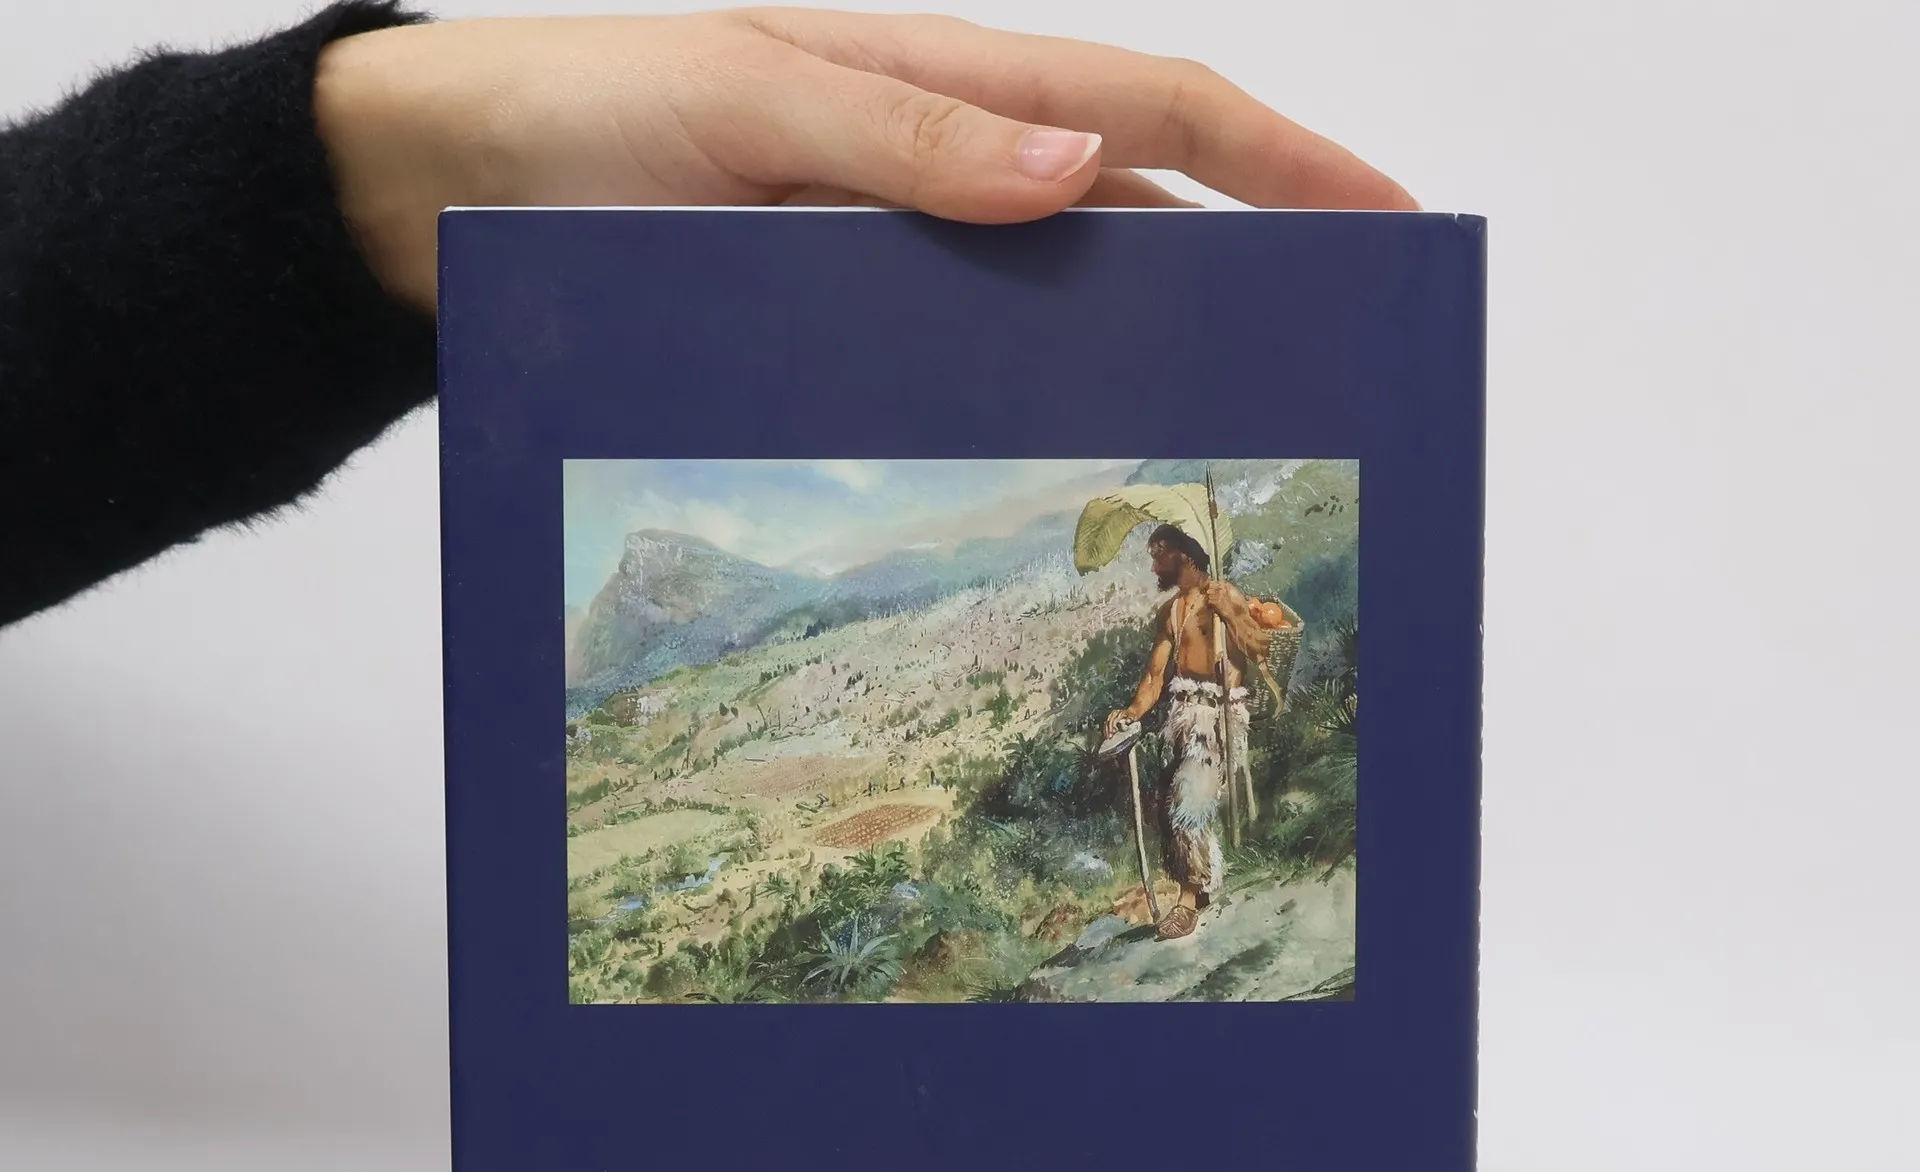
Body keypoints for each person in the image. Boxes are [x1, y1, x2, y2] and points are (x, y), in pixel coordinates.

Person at [0, 6, 1412, 629]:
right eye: (1160, 556)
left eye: (1165, 555)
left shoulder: (1212, 605)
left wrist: (402, 163)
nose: (1160, 567)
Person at [1103, 524, 1290, 940]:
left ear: (1184, 555)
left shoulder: (1227, 596)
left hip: (1218, 719)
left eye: (1159, 555)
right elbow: (1155, 677)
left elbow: (1261, 649)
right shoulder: (1171, 611)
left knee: (1189, 798)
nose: (1154, 565)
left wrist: (1233, 613)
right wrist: (1131, 712)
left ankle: (1187, 903)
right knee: (1171, 804)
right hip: (1183, 720)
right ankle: (1202, 884)